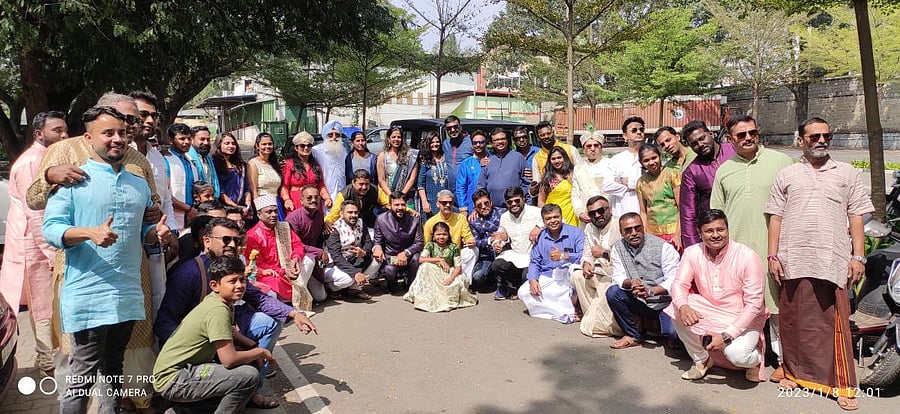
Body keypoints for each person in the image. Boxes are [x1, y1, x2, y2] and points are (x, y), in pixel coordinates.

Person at [26, 94, 164, 413]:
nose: (125, 130)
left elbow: (148, 212)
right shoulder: (65, 153)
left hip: (128, 282)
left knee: (114, 366)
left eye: (129, 122)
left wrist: (157, 226)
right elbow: (40, 208)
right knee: (80, 369)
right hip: (84, 280)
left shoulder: (137, 166)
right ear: (93, 132)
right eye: (117, 123)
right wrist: (50, 178)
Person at [765, 117, 873, 410]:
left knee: (833, 322)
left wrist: (858, 256)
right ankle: (794, 373)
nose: (821, 140)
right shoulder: (787, 175)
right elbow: (776, 217)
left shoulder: (847, 173)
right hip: (793, 258)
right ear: (801, 140)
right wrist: (773, 255)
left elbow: (857, 216)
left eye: (826, 135)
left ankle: (842, 385)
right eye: (814, 136)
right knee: (794, 321)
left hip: (832, 259)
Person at [155, 219, 316, 408]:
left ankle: (249, 391)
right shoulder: (188, 273)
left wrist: (294, 313)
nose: (232, 245)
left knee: (268, 325)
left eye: (235, 240)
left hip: (222, 338)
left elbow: (259, 298)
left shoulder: (231, 272)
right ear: (207, 241)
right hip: (192, 356)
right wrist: (187, 355)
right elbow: (165, 321)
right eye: (225, 240)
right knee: (245, 371)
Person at [711, 114, 792, 377]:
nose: (748, 138)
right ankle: (746, 356)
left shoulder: (780, 162)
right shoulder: (724, 169)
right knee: (742, 305)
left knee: (777, 306)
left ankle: (783, 362)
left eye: (752, 133)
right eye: (741, 135)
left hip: (772, 249)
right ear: (731, 139)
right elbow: (717, 215)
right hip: (738, 253)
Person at [153, 256, 270, 413]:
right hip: (174, 378)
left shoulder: (218, 302)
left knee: (247, 365)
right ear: (215, 285)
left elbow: (230, 335)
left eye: (242, 280)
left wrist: (252, 347)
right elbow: (229, 360)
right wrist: (260, 352)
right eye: (232, 281)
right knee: (248, 376)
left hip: (181, 372)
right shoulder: (218, 310)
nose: (239, 286)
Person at [0, 111, 67, 378]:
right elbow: (36, 213)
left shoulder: (46, 158)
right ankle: (46, 361)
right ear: (39, 134)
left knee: (47, 303)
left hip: (38, 242)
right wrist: (53, 255)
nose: (64, 136)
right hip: (35, 243)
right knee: (43, 305)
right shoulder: (31, 163)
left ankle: (47, 358)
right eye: (57, 131)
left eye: (65, 130)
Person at [666, 209, 768, 383]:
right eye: (709, 231)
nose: (715, 235)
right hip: (711, 309)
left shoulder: (747, 256)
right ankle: (702, 359)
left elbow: (754, 304)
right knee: (676, 307)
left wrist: (726, 336)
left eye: (720, 230)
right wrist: (683, 307)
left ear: (728, 230)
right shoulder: (692, 252)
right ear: (700, 233)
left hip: (743, 316)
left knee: (737, 355)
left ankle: (755, 362)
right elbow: (679, 284)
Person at [607, 213, 679, 350]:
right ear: (621, 233)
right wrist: (631, 283)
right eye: (628, 230)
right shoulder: (618, 247)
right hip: (640, 301)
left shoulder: (663, 247)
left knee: (674, 335)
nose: (634, 233)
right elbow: (618, 276)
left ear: (643, 227)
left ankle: (667, 332)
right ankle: (632, 335)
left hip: (664, 303)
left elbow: (674, 279)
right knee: (613, 293)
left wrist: (651, 291)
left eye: (637, 228)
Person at [245, 195, 315, 311]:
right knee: (274, 283)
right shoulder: (253, 235)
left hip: (290, 268)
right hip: (271, 274)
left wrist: (295, 259)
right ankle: (289, 301)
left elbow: (298, 245)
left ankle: (293, 298)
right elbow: (258, 265)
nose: (274, 215)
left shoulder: (283, 227)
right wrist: (282, 271)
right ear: (259, 215)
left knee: (308, 260)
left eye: (275, 211)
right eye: (269, 212)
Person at [518, 204, 584, 323]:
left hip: (569, 276)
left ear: (561, 217)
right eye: (548, 218)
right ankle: (564, 311)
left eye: (555, 217)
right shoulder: (540, 237)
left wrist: (564, 256)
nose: (553, 221)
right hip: (549, 274)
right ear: (543, 221)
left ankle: (572, 307)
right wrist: (533, 279)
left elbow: (584, 256)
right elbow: (534, 261)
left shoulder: (576, 233)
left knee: (571, 287)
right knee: (523, 292)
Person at [569, 195, 623, 338]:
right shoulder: (589, 227)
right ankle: (593, 317)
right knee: (577, 276)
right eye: (592, 213)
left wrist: (605, 253)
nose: (597, 215)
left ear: (609, 210)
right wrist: (587, 264)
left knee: (589, 328)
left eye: (601, 211)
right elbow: (587, 252)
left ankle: (612, 325)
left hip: (614, 275)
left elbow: (628, 257)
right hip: (597, 271)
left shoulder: (619, 225)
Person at [679, 120, 736, 248]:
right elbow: (688, 214)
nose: (700, 144)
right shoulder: (692, 172)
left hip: (743, 223)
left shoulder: (733, 150)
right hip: (716, 234)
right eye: (694, 144)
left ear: (710, 133)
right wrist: (693, 250)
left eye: (702, 138)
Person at [404, 221, 478, 312]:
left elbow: (458, 267)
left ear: (448, 235)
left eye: (444, 234)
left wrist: (451, 278)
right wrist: (439, 259)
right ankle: (426, 298)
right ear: (434, 236)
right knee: (425, 266)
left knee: (456, 283)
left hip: (448, 273)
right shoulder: (430, 245)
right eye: (438, 234)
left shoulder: (454, 247)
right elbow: (421, 259)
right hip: (434, 273)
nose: (441, 237)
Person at [490, 187, 543, 300]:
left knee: (527, 277)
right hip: (516, 255)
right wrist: (497, 242)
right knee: (497, 265)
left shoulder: (536, 212)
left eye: (517, 200)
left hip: (533, 256)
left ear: (523, 199)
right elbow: (500, 233)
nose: (514, 204)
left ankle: (521, 285)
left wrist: (539, 227)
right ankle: (515, 284)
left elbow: (556, 221)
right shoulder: (505, 217)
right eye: (510, 202)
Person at [324, 200, 382, 300]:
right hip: (333, 264)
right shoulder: (334, 229)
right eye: (350, 212)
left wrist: (363, 252)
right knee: (347, 279)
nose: (354, 215)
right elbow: (336, 256)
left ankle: (355, 289)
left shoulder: (360, 222)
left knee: (378, 258)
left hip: (353, 260)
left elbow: (368, 242)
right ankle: (332, 289)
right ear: (341, 213)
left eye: (356, 212)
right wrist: (355, 273)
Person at [372, 191, 425, 293]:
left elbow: (419, 243)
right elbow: (377, 241)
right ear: (389, 205)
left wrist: (406, 253)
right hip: (391, 257)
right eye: (396, 205)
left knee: (416, 257)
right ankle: (391, 284)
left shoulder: (414, 219)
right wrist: (377, 247)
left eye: (402, 204)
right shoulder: (381, 219)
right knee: (389, 270)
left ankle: (410, 285)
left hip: (408, 256)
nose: (400, 207)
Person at [423, 190, 479, 284]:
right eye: (444, 203)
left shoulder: (460, 218)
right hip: (438, 260)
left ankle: (465, 282)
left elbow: (468, 236)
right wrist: (438, 260)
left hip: (456, 257)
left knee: (473, 250)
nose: (448, 205)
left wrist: (471, 240)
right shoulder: (430, 223)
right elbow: (426, 246)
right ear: (437, 204)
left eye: (450, 202)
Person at [285, 185, 330, 301]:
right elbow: (294, 244)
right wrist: (319, 252)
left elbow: (319, 239)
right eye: (309, 198)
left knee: (321, 297)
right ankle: (298, 297)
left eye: (316, 197)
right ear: (301, 200)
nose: (313, 200)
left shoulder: (319, 215)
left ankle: (306, 287)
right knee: (309, 259)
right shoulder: (293, 218)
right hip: (296, 258)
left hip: (313, 257)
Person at [636, 143, 682, 250]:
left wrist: (678, 234)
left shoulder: (672, 174)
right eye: (646, 160)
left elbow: (681, 207)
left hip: (673, 230)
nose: (651, 162)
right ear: (641, 162)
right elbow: (643, 211)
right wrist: (644, 234)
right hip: (652, 233)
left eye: (654, 158)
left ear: (660, 156)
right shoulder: (641, 182)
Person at [477, 127, 529, 209]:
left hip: (515, 207)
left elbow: (526, 182)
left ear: (507, 140)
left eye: (502, 139)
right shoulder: (487, 160)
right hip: (494, 210)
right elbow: (481, 187)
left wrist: (525, 203)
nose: (500, 142)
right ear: (492, 143)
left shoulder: (518, 158)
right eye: (496, 140)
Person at [326, 169, 394, 231]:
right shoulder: (344, 195)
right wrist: (328, 222)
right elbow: (334, 214)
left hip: (369, 223)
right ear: (353, 182)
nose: (364, 187)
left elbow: (389, 203)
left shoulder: (375, 190)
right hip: (349, 225)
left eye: (367, 184)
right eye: (361, 184)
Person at [602, 117, 645, 216]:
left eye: (641, 130)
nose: (639, 132)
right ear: (625, 136)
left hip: (645, 212)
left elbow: (650, 184)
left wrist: (623, 181)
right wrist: (634, 185)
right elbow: (607, 186)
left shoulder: (650, 157)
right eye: (634, 130)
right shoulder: (617, 159)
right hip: (622, 210)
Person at [282, 131, 332, 213]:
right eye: (302, 146)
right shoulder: (289, 164)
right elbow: (284, 186)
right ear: (296, 148)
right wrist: (287, 199)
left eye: (309, 145)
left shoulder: (315, 165)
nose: (306, 148)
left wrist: (327, 198)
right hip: (296, 202)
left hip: (314, 201)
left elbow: (321, 185)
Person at [468, 189, 506, 292]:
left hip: (505, 250)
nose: (483, 207)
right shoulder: (473, 220)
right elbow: (476, 242)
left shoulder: (503, 213)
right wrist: (490, 240)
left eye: (486, 203)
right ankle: (492, 280)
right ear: (475, 208)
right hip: (487, 255)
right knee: (477, 277)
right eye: (479, 206)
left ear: (491, 202)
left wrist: (504, 236)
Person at [165, 123, 200, 231]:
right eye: (182, 139)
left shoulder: (190, 160)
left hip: (192, 215)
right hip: (173, 217)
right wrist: (188, 209)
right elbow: (164, 193)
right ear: (171, 140)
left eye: (189, 139)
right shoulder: (165, 160)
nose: (187, 142)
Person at [571, 131, 609, 227]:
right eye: (589, 146)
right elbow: (575, 194)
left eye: (596, 145)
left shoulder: (610, 165)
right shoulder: (578, 168)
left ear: (601, 147)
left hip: (606, 215)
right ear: (583, 149)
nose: (592, 149)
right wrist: (579, 212)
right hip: (587, 216)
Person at [376, 125, 419, 207]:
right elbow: (381, 180)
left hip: (406, 197)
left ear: (402, 139)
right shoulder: (383, 156)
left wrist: (401, 195)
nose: (396, 139)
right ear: (389, 139)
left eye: (399, 137)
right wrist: (392, 196)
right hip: (389, 196)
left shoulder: (411, 155)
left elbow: (412, 178)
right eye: (393, 137)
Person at [213, 132, 252, 218]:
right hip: (224, 208)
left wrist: (248, 203)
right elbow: (220, 191)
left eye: (233, 143)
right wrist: (236, 207)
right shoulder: (214, 165)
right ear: (219, 145)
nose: (231, 146)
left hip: (243, 208)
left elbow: (247, 187)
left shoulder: (241, 165)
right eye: (227, 143)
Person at [537, 146, 578, 226]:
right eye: (553, 159)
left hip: (572, 215)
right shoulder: (547, 179)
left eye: (559, 158)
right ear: (550, 161)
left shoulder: (573, 175)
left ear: (565, 158)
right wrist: (546, 217)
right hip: (553, 218)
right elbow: (541, 201)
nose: (556, 161)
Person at [312, 120, 348, 210]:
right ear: (325, 136)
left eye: (337, 135)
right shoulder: (316, 151)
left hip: (342, 194)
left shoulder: (344, 151)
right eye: (330, 135)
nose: (334, 138)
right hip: (325, 194)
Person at [247, 132, 283, 216]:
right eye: (264, 144)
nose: (267, 146)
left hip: (277, 203)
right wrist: (258, 209)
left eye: (270, 144)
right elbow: (254, 190)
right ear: (257, 146)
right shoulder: (253, 164)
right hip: (263, 204)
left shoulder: (274, 164)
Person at [417, 131, 452, 219]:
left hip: (446, 202)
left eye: (437, 142)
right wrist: (425, 202)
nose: (435, 144)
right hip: (431, 202)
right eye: (432, 142)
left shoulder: (446, 157)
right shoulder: (425, 161)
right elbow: (420, 185)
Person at [456, 129, 489, 216]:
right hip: (472, 208)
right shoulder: (466, 163)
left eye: (481, 142)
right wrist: (463, 208)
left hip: (490, 207)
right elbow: (461, 187)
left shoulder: (493, 160)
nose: (478, 145)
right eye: (475, 143)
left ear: (486, 143)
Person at [441, 115, 473, 192]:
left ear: (460, 127)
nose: (452, 130)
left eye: (455, 127)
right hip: (450, 191)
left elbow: (485, 158)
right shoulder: (445, 144)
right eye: (449, 128)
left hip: (467, 190)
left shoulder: (472, 142)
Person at [189, 125, 220, 198]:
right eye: (202, 139)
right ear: (192, 140)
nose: (206, 143)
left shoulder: (208, 159)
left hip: (210, 200)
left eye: (208, 139)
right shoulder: (188, 159)